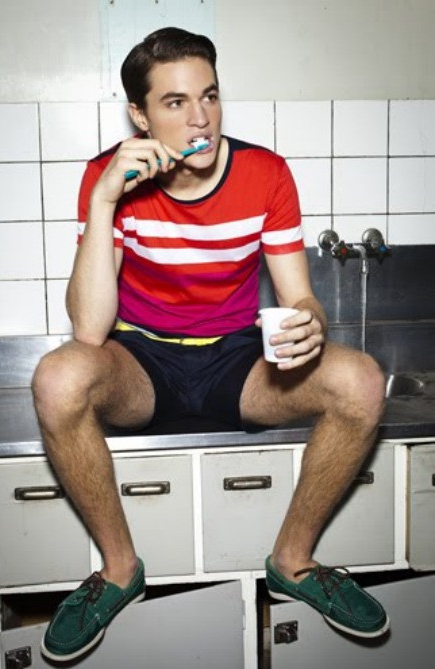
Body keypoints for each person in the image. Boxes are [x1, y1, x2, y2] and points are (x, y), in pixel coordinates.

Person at [32, 26, 389, 663]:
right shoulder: (107, 177)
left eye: (210, 96)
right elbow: (88, 330)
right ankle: (119, 570)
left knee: (360, 380)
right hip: (141, 361)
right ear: (140, 116)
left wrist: (310, 321)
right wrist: (105, 199)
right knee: (58, 378)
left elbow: (301, 298)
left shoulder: (265, 173)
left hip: (236, 360)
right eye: (176, 102)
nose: (201, 118)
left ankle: (293, 561)